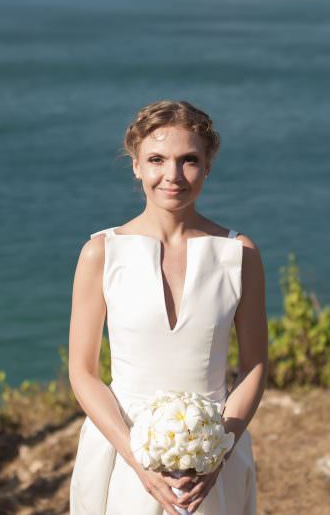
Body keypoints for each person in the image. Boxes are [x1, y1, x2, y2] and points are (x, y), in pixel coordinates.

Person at [68, 101, 268, 514]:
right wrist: (137, 458)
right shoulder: (100, 253)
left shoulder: (239, 254)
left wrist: (219, 451)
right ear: (136, 165)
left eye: (189, 160)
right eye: (157, 160)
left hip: (213, 454)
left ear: (208, 165)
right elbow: (83, 373)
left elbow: (255, 366)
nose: (172, 176)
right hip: (120, 456)